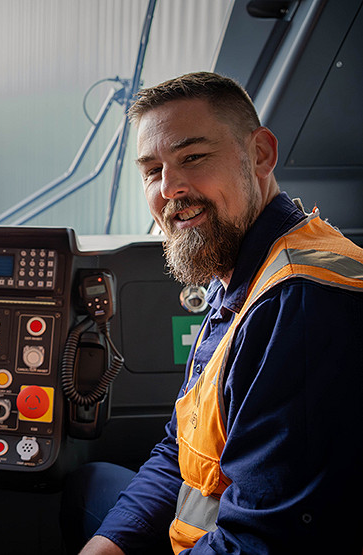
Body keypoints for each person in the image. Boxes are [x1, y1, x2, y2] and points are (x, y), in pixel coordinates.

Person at [60, 72, 363, 554]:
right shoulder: (242, 270)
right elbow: (181, 448)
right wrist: (107, 546)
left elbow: (266, 541)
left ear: (260, 154)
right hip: (208, 523)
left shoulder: (299, 305)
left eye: (193, 158)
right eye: (151, 171)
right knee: (88, 484)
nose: (170, 188)